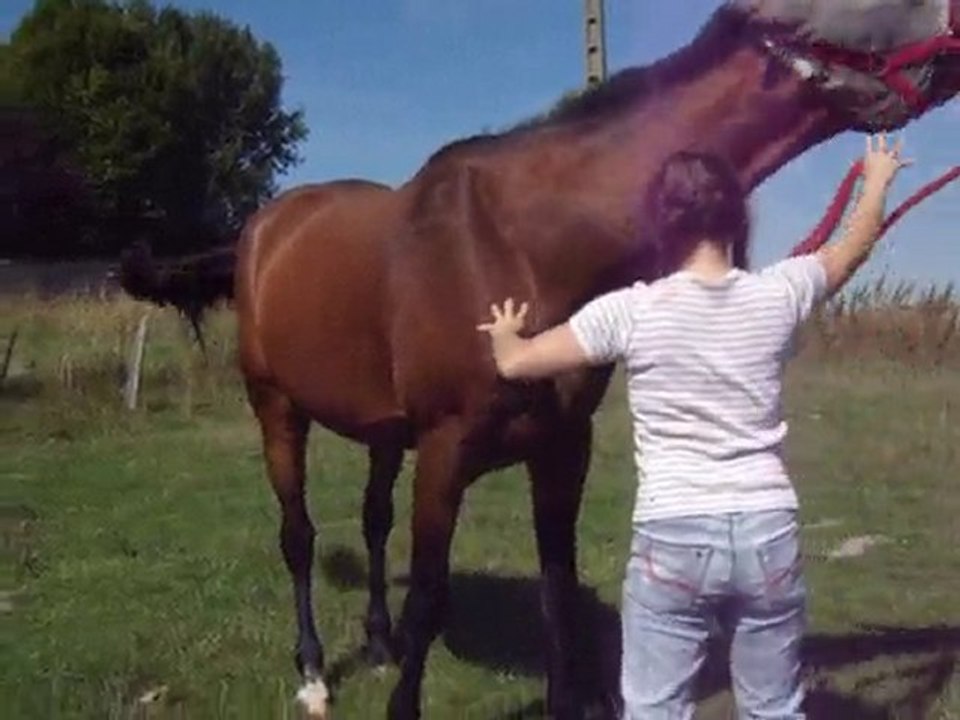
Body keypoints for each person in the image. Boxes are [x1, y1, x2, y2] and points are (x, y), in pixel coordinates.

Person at [476, 134, 910, 719]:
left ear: (663, 224)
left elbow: (519, 363)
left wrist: (506, 333)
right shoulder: (779, 293)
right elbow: (851, 247)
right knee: (775, 709)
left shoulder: (631, 310)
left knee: (655, 709)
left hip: (673, 532)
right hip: (766, 530)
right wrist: (877, 180)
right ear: (735, 217)